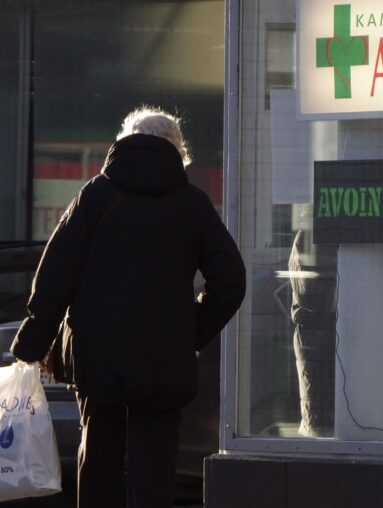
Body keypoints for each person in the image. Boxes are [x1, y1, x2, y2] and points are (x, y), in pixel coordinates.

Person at [10, 106, 246, 508]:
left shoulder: (95, 195)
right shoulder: (192, 204)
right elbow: (230, 281)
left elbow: (55, 276)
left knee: (98, 460)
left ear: (124, 142)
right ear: (177, 150)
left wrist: (31, 345)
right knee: (153, 470)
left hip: (98, 357)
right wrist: (190, 332)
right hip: (163, 362)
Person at [288, 229, 338, 437]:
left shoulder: (312, 234)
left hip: (319, 330)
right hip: (316, 333)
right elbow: (310, 292)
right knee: (318, 419)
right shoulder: (312, 234)